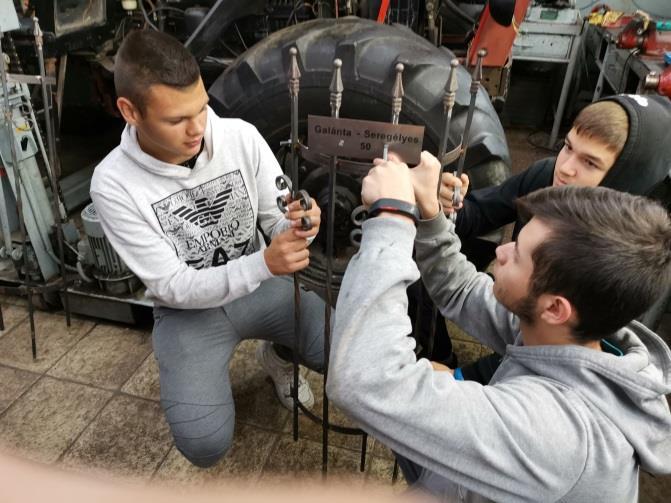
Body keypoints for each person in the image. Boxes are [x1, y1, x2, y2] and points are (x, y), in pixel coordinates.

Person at [327, 152, 671, 502]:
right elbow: (462, 290)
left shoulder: (556, 435)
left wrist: (391, 218)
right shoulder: (569, 334)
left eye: (518, 254)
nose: (502, 250)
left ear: (555, 307)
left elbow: (364, 380)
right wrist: (429, 212)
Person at [90, 30, 326, 468]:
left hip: (261, 284)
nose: (197, 128)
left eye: (201, 107)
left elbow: (277, 219)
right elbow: (175, 286)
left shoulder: (240, 135)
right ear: (130, 112)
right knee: (204, 444)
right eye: (177, 119)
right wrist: (265, 262)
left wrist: (301, 225)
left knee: (341, 348)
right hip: (188, 312)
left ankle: (278, 357)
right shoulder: (112, 184)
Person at [419, 94, 671, 370]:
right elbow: (476, 215)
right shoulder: (547, 176)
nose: (565, 168)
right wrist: (443, 204)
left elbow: (554, 363)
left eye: (590, 163)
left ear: (629, 179)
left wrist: (467, 377)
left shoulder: (632, 268)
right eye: (567, 146)